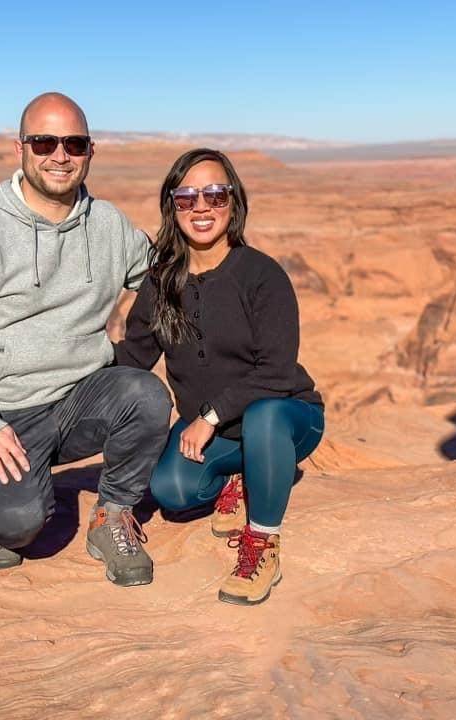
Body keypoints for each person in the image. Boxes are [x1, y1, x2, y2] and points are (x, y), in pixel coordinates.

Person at [0, 92, 172, 587]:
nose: (60, 155)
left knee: (145, 396)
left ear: (90, 151)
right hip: (5, 412)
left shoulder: (107, 226)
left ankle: (112, 516)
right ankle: (1, 511)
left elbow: (162, 278)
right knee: (18, 527)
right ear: (20, 147)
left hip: (80, 398)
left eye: (74, 143)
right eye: (44, 142)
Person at [115, 148, 324, 605]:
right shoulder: (161, 282)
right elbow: (133, 355)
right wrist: (72, 370)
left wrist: (209, 416)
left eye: (215, 194)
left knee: (264, 417)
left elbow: (277, 370)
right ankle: (241, 477)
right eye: (187, 197)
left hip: (289, 418)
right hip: (220, 435)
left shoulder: (261, 275)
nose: (202, 207)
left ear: (234, 202)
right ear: (172, 206)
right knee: (171, 491)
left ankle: (263, 546)